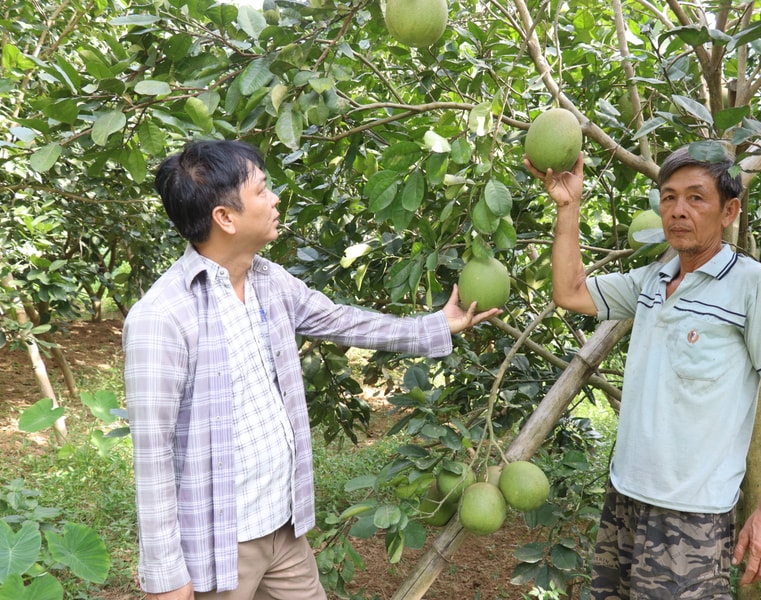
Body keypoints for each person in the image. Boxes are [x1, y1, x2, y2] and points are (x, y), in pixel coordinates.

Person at [123, 139, 501, 600]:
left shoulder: (269, 281)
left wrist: (438, 325)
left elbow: (344, 321)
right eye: (261, 191)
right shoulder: (162, 317)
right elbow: (153, 456)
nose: (274, 199)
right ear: (225, 217)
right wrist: (166, 575)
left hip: (284, 528)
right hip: (220, 545)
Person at [526, 146, 761, 598]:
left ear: (729, 211)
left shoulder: (753, 286)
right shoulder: (652, 280)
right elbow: (570, 291)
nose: (678, 210)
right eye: (669, 197)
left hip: (693, 515)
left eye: (696, 198)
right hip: (625, 495)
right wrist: (569, 206)